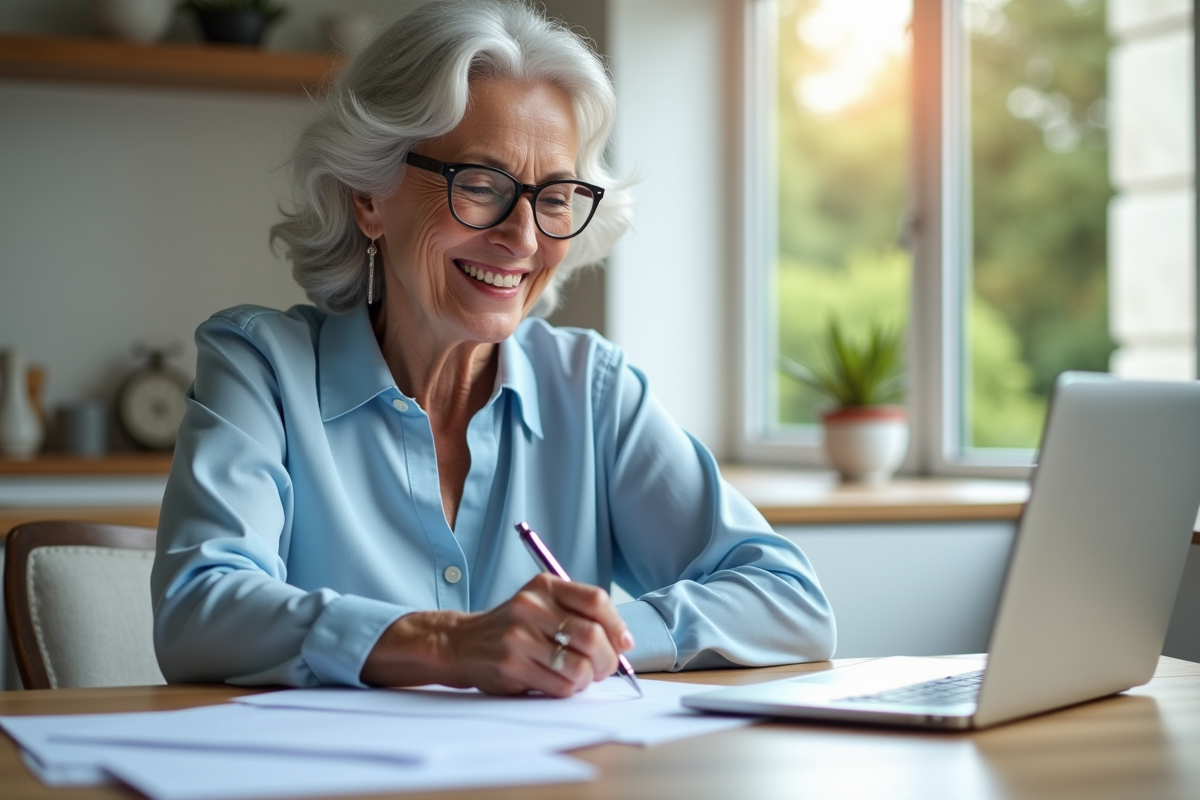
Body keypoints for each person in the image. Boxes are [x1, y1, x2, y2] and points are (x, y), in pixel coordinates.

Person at [151, 0, 835, 698]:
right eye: (480, 185)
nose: (526, 239)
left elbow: (788, 599)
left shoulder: (592, 390)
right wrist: (448, 644)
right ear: (368, 197)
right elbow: (198, 611)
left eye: (557, 196)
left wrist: (599, 639)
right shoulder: (262, 368)